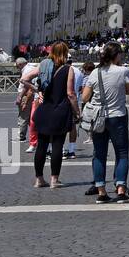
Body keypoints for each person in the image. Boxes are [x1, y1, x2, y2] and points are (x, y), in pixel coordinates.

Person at [81, 41, 129, 203]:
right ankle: (120, 190)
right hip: (117, 116)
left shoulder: (95, 73)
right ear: (117, 55)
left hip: (98, 117)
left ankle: (101, 192)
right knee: (122, 153)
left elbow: (84, 97)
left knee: (99, 154)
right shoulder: (123, 70)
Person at [31, 42, 78, 188]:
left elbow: (24, 79)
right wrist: (77, 111)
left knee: (41, 146)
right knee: (57, 145)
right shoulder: (68, 69)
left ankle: (39, 179)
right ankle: (54, 180)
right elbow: (70, 93)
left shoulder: (43, 66)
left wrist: (38, 92)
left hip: (45, 110)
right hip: (60, 110)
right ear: (65, 53)